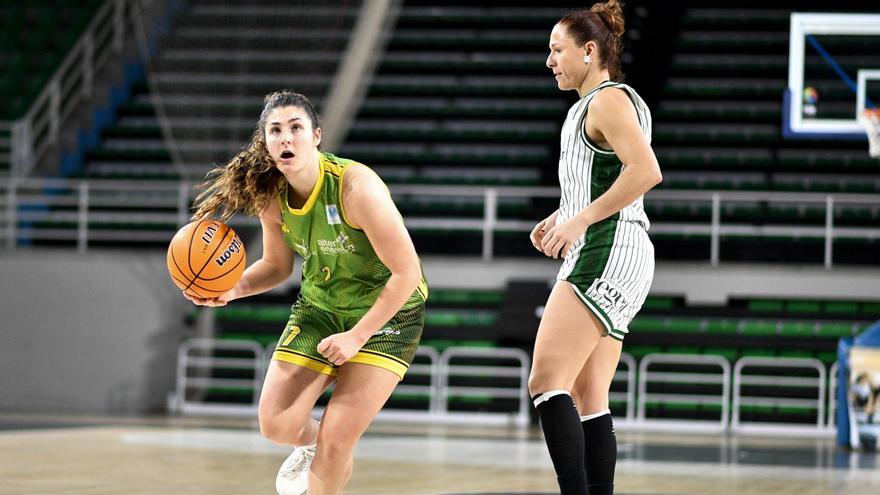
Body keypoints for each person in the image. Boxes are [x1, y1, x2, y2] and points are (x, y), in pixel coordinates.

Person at [184, 90, 428, 495]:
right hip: (320, 306)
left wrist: (357, 336)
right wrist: (231, 289)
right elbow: (277, 266)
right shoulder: (272, 198)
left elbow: (407, 273)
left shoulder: (356, 188)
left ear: (316, 135)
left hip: (389, 314)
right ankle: (316, 443)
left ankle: (329, 446)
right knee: (276, 425)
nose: (286, 138)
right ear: (264, 142)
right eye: (275, 130)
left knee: (337, 443)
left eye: (295, 128)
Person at [528, 2, 662, 494]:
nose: (550, 61)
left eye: (557, 50)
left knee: (545, 381)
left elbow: (646, 172)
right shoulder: (600, 104)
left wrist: (581, 219)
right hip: (623, 249)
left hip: (608, 245)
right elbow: (601, 179)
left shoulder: (607, 100)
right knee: (589, 396)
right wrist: (562, 216)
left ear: (589, 51)